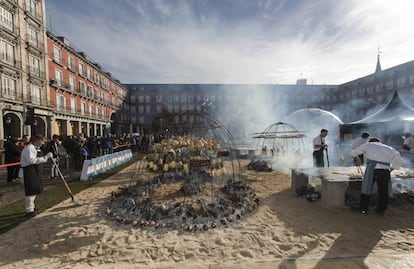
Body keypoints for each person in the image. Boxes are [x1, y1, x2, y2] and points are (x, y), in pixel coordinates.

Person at [351, 137, 402, 215]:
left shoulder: (368, 145)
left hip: (373, 169)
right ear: (380, 142)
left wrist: (358, 159)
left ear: (370, 142)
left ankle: (363, 208)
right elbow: (398, 159)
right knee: (383, 191)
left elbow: (353, 153)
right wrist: (391, 169)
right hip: (385, 171)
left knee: (366, 188)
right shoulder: (389, 148)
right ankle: (381, 209)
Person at [20, 134, 53, 217]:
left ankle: (32, 207)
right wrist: (45, 158)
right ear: (37, 140)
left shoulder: (35, 148)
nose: (42, 144)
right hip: (27, 171)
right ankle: (29, 210)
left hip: (33, 171)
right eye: (42, 141)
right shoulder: (29, 148)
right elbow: (31, 160)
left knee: (34, 190)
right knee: (30, 191)